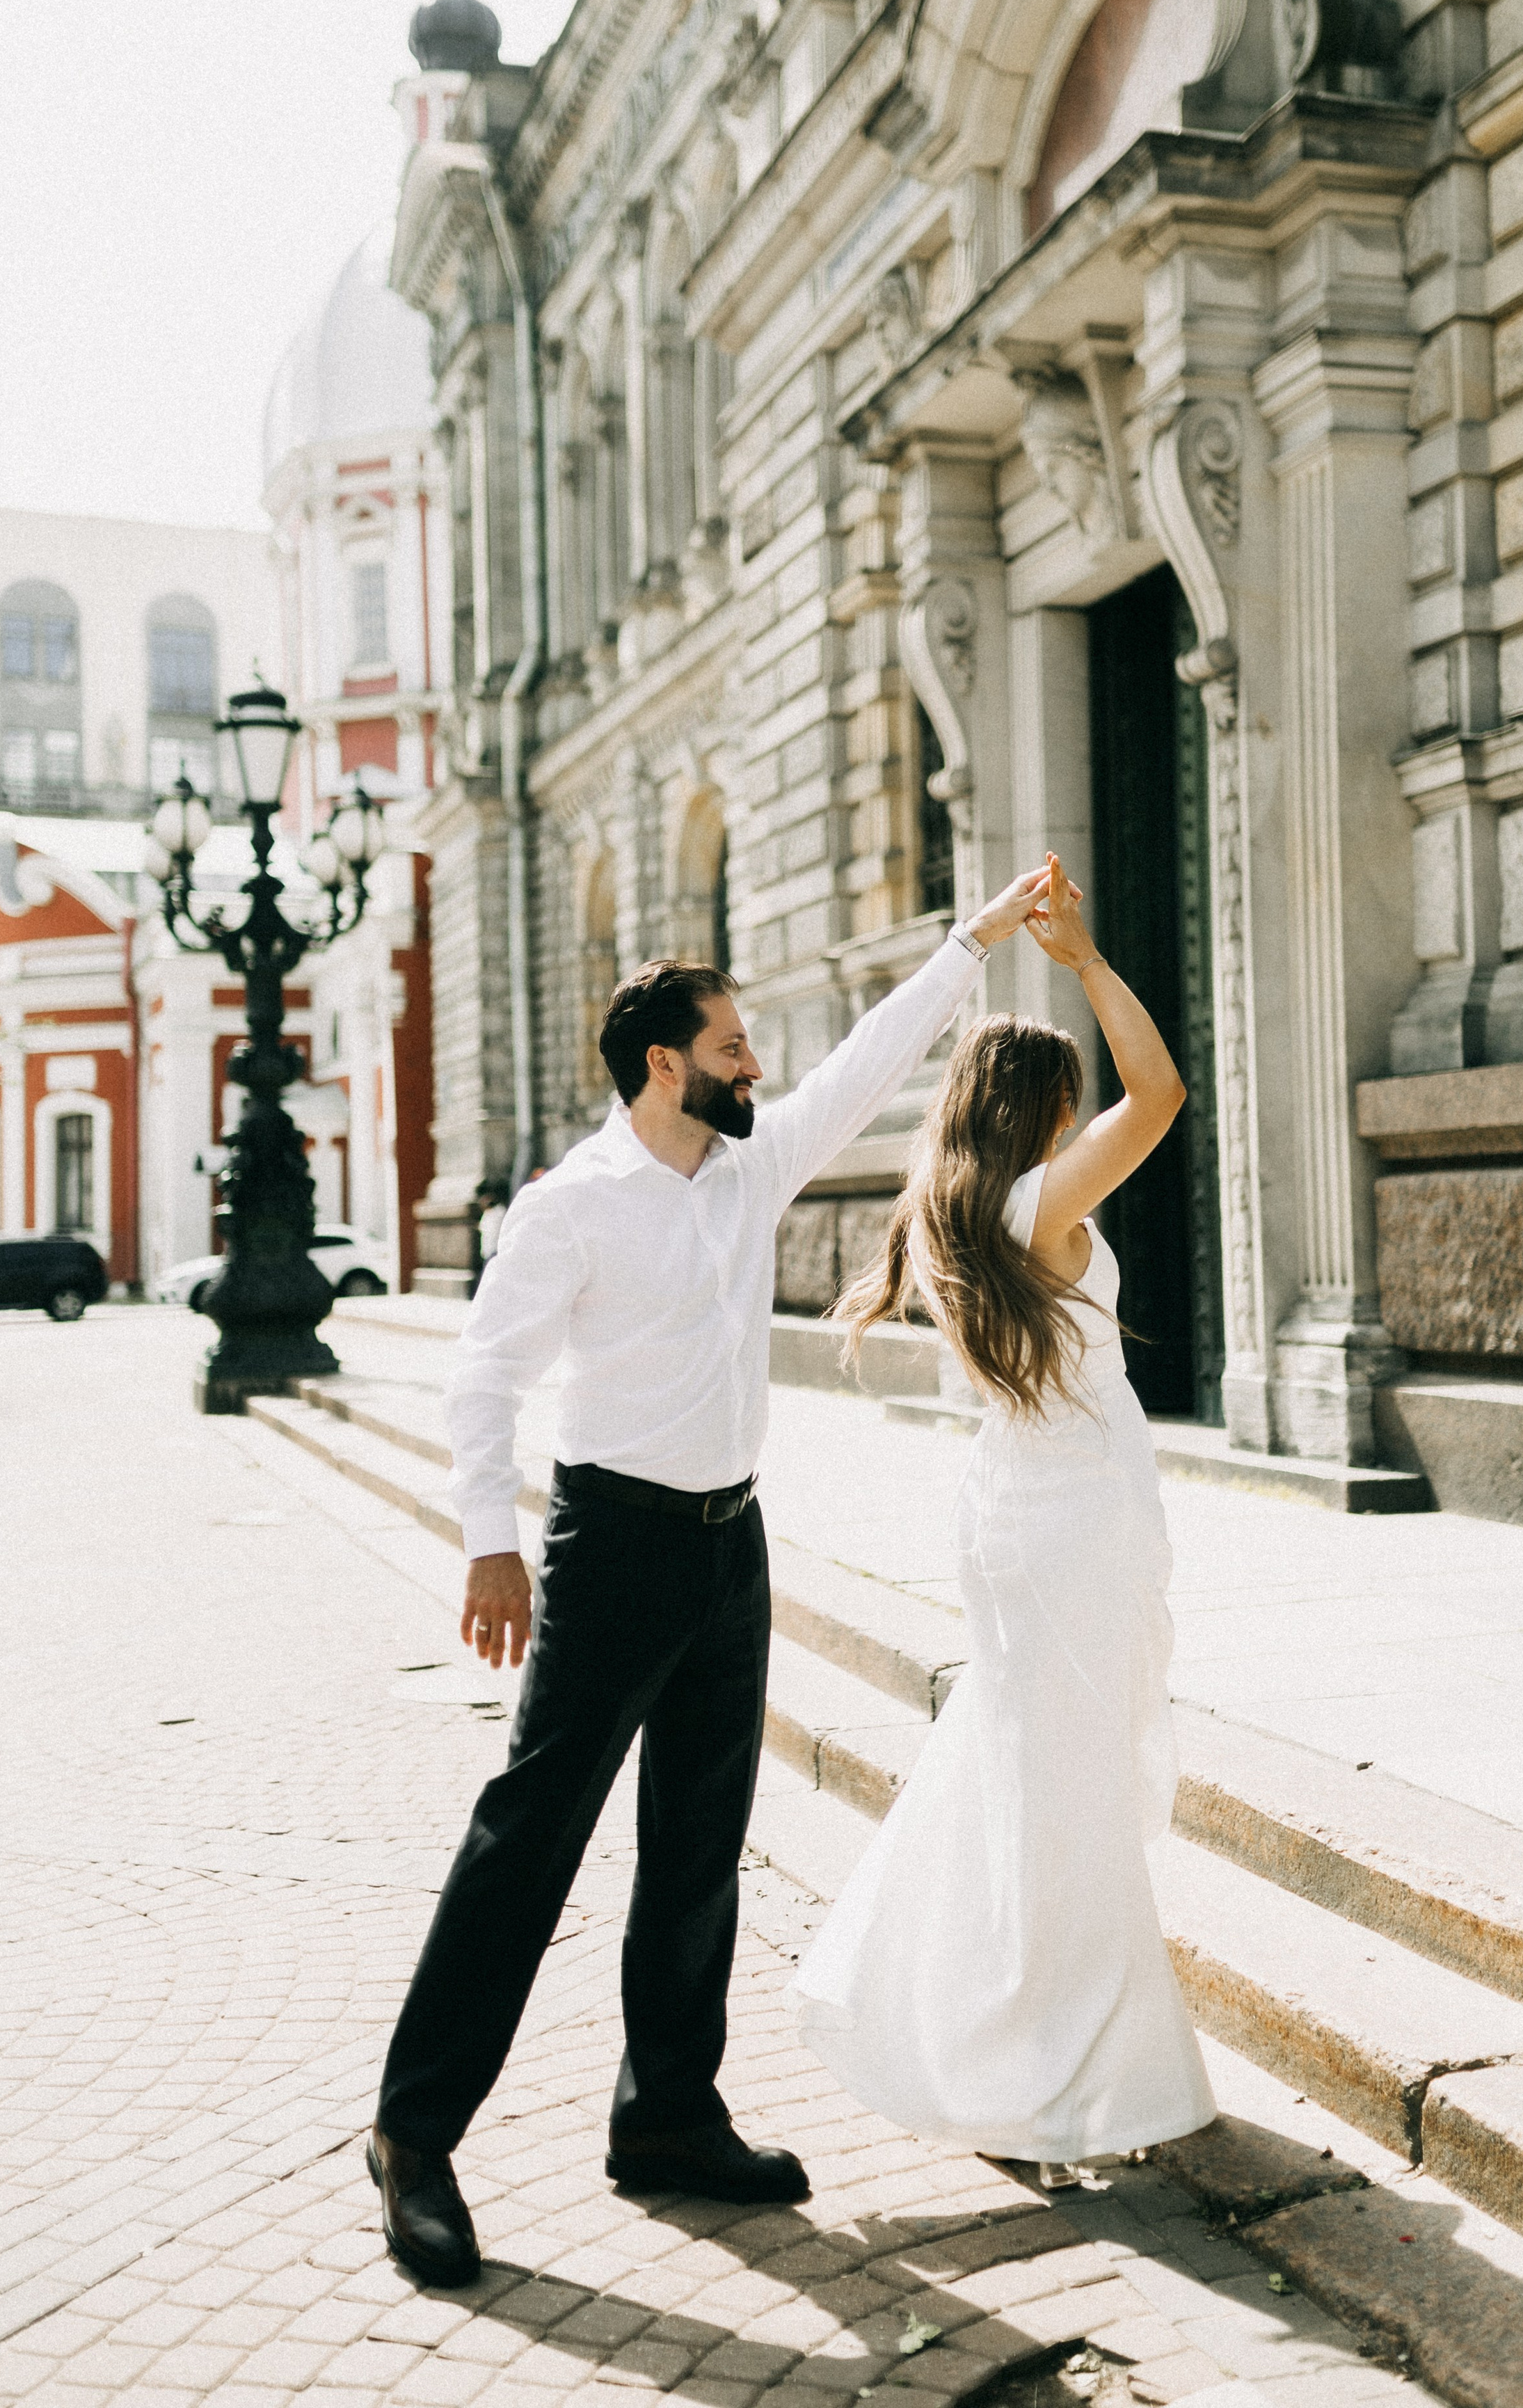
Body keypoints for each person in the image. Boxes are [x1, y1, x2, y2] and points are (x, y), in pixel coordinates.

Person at [367, 866, 1053, 2286]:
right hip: (609, 1547)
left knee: (698, 1842)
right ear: (666, 1066)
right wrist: (489, 1542)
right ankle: (412, 2137)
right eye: (733, 1048)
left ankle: (668, 2115)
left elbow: (868, 1065)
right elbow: (484, 1376)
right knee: (530, 1838)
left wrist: (969, 945)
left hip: (728, 1547)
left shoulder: (752, 1166)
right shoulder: (571, 1207)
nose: (757, 1066)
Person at [792, 853, 1217, 2180]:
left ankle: (981, 2021)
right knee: (1066, 1792)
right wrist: (1085, 960)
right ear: (1046, 1111)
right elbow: (1165, 1095)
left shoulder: (950, 1213)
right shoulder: (1037, 1205)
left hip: (1014, 1518)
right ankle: (1045, 2063)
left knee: (1019, 1773)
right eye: (1068, 1105)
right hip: (1074, 1527)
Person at [468, 1177, 509, 1297]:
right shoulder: (487, 1213)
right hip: (487, 1252)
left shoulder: (500, 1212)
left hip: (495, 1253)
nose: (481, 1202)